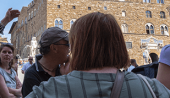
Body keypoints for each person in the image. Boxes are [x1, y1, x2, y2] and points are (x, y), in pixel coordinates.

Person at [26, 12, 170, 97]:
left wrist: (65, 81)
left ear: (79, 47)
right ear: (119, 43)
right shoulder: (153, 89)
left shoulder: (47, 91)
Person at [22, 27, 69, 97]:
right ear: (54, 48)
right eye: (67, 45)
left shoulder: (64, 69)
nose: (69, 49)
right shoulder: (32, 75)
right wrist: (64, 79)